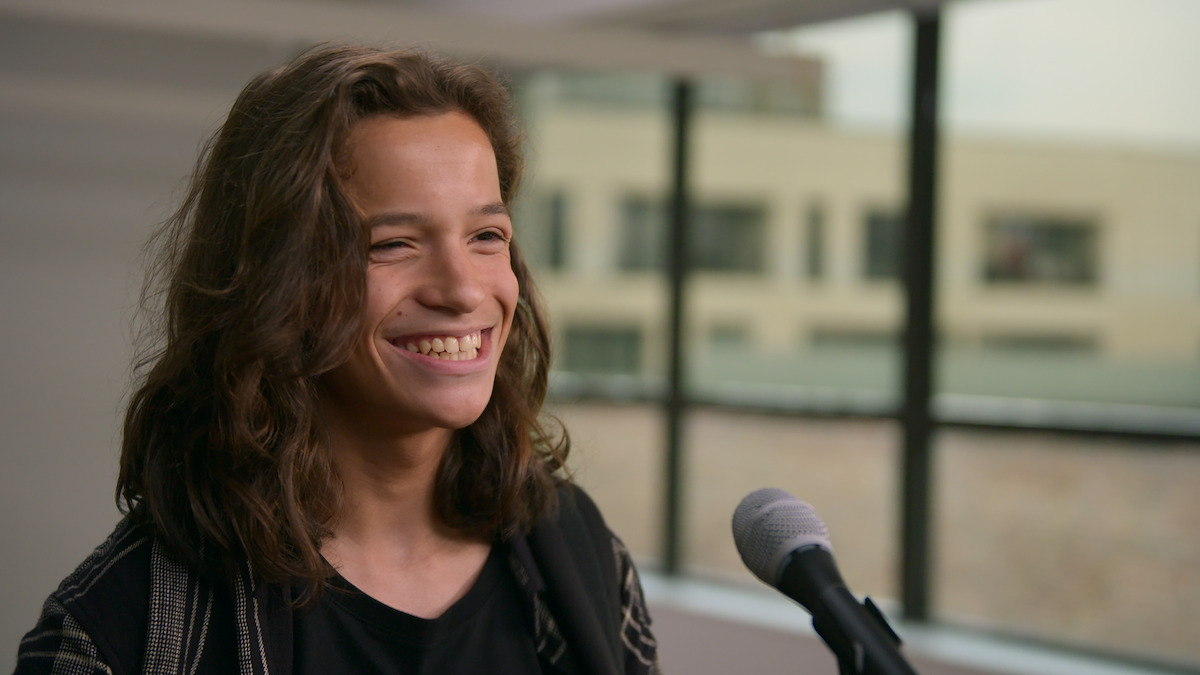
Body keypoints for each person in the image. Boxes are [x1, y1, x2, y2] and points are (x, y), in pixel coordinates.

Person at [15, 44, 660, 675]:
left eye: (486, 236)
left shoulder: (582, 555)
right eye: (393, 244)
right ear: (275, 281)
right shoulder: (117, 631)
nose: (464, 290)